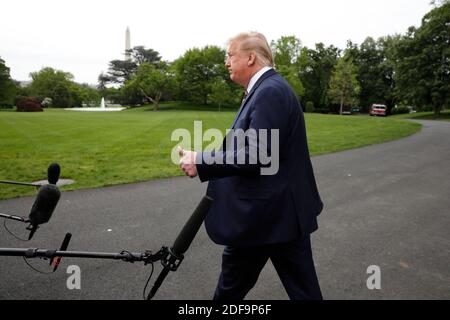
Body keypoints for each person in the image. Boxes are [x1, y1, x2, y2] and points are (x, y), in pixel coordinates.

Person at [178, 32, 323, 300]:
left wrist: (201, 160)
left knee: (229, 291)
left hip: (263, 217)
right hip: (279, 217)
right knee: (303, 292)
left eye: (230, 55)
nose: (226, 62)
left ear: (251, 57)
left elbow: (258, 154)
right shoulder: (265, 89)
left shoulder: (269, 91)